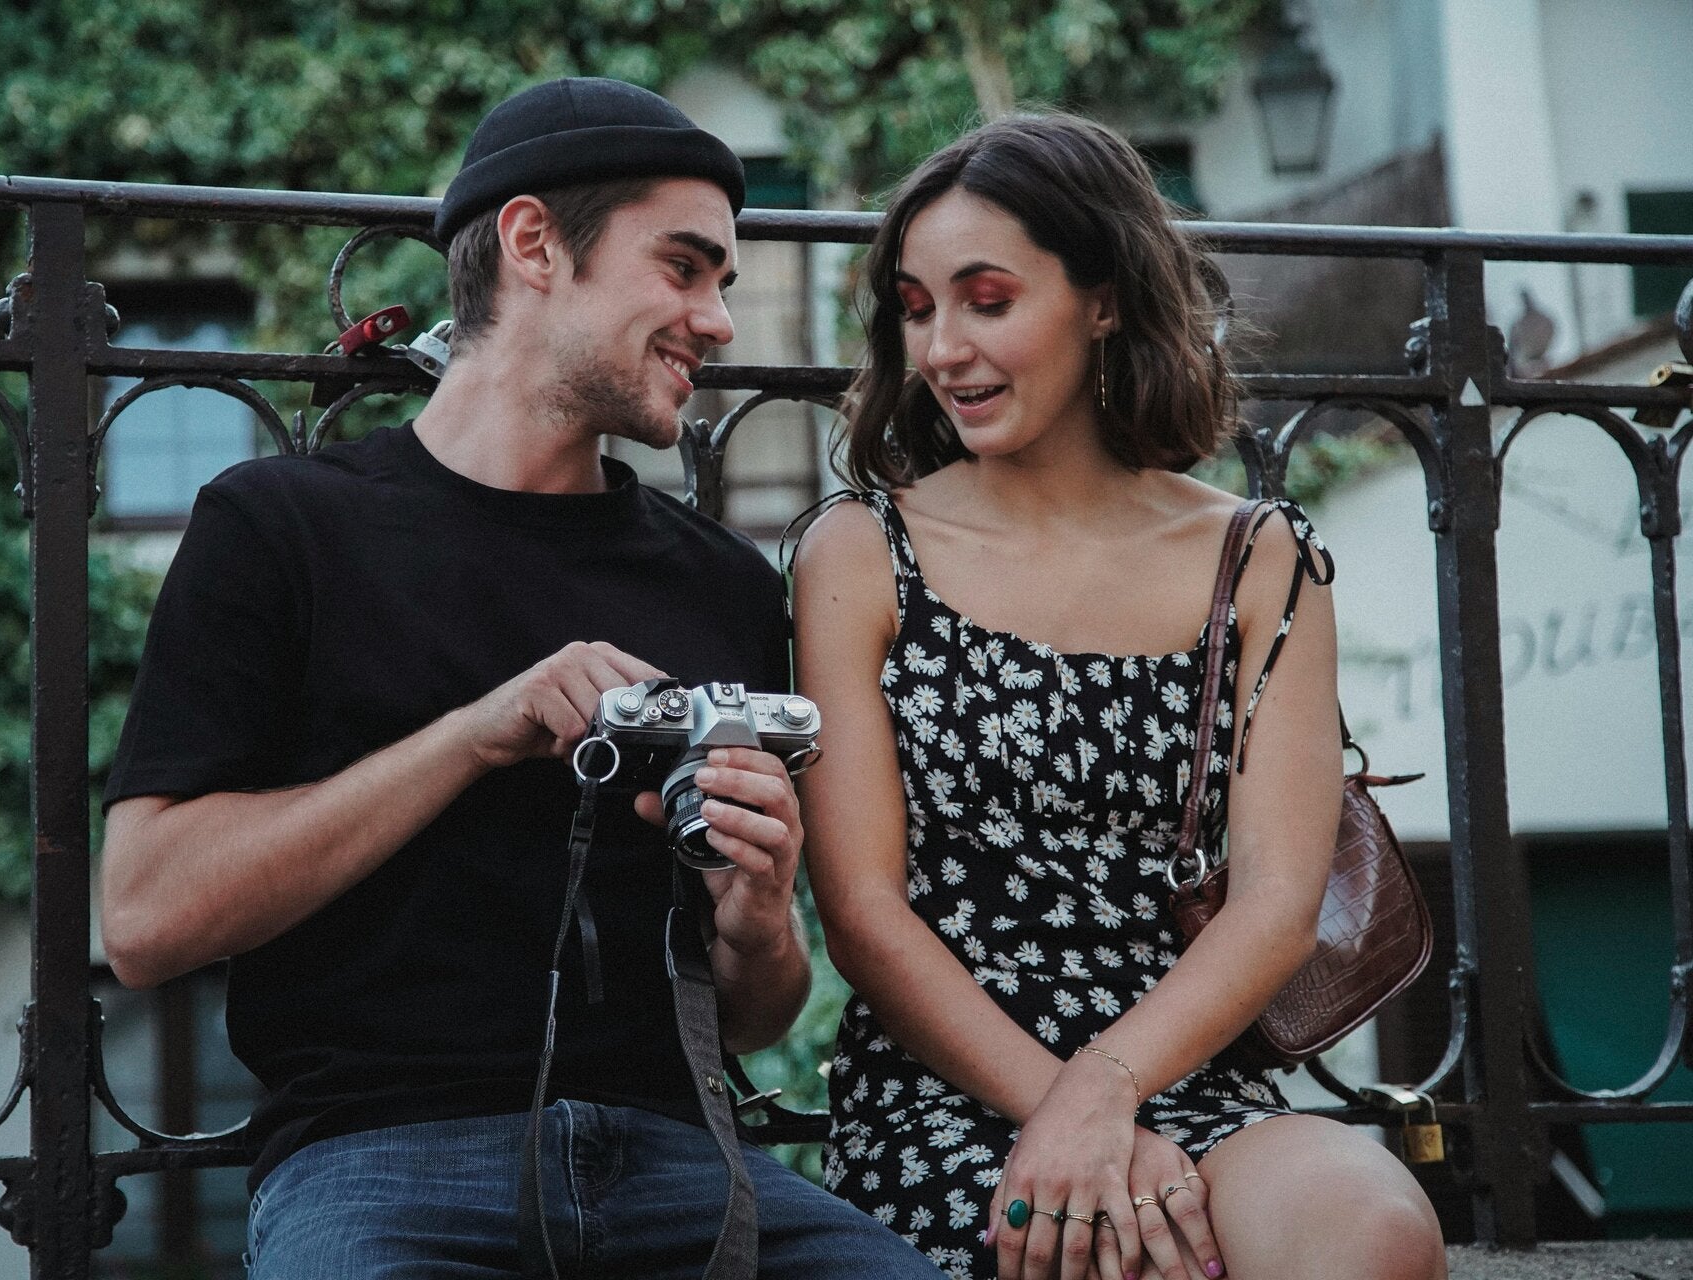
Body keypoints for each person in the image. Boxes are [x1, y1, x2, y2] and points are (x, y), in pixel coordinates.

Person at [99, 77, 940, 1280]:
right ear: (534, 242)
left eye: (723, 283)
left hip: (681, 1163)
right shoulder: (283, 525)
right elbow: (141, 919)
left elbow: (754, 1015)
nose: (718, 322)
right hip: (380, 1163)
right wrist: (476, 734)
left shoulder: (726, 584)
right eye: (685, 268)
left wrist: (758, 911)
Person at [791, 114, 1447, 1280]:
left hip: (1182, 1074)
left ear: (1103, 298)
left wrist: (1110, 1091)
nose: (943, 346)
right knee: (1102, 1252)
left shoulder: (1259, 556)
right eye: (917, 305)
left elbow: (1277, 904)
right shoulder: (862, 547)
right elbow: (864, 913)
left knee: (1378, 1231)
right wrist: (1066, 1114)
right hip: (948, 1089)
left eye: (987, 299)